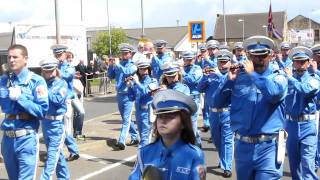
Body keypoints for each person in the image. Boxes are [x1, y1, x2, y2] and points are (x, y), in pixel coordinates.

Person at [214, 36, 288, 179]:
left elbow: (273, 94)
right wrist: (229, 81)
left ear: (271, 55)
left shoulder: (278, 77)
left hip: (268, 146)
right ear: (248, 55)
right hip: (243, 146)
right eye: (255, 56)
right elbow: (217, 103)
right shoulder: (239, 76)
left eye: (263, 55)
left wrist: (252, 74)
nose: (259, 59)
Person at [129, 89, 206, 180]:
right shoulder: (144, 152)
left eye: (170, 116)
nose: (163, 120)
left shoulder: (194, 155)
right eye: (160, 116)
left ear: (183, 123)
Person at [0, 44, 49, 179]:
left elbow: (42, 111)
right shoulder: (4, 80)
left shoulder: (36, 81)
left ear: (25, 59)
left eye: (15, 57)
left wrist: (21, 98)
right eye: (9, 57)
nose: (11, 60)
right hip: (8, 138)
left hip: (26, 138)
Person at [283, 46, 319, 179]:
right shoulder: (286, 79)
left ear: (308, 62)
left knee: (308, 165)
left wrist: (290, 78)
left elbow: (306, 89)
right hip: (291, 125)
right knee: (294, 165)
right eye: (297, 61)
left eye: (303, 61)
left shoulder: (314, 78)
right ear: (293, 63)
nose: (300, 64)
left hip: (307, 126)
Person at [39, 58, 70, 180]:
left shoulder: (62, 83)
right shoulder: (42, 83)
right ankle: (65, 177)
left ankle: (45, 178)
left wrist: (45, 91)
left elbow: (58, 100)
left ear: (56, 70)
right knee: (58, 154)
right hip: (45, 123)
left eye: (52, 70)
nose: (50, 73)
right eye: (47, 71)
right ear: (43, 71)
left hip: (57, 124)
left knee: (52, 156)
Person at [51, 44, 80, 161]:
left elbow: (67, 76)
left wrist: (56, 69)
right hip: (55, 101)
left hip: (66, 100)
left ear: (65, 54)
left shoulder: (69, 67)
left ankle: (73, 151)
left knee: (66, 128)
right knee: (58, 127)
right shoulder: (53, 66)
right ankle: (70, 151)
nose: (58, 57)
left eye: (60, 55)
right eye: (56, 55)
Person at [108, 43, 139, 150]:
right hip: (119, 94)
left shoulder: (133, 65)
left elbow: (127, 72)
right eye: (122, 53)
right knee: (126, 119)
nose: (123, 55)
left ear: (130, 54)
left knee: (126, 119)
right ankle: (135, 136)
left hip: (129, 95)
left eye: (125, 53)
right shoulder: (119, 64)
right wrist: (111, 65)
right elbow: (110, 76)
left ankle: (121, 141)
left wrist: (117, 65)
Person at [209, 50, 234, 177]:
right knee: (216, 140)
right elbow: (199, 88)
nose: (223, 65)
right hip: (213, 113)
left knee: (227, 140)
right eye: (220, 62)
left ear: (230, 63)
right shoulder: (211, 75)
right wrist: (205, 77)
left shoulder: (233, 75)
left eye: (225, 62)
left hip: (227, 112)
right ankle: (223, 158)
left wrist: (218, 76)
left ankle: (227, 166)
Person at [127, 58, 158, 147]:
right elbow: (131, 98)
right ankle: (146, 157)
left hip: (147, 111)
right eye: (141, 69)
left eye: (145, 69)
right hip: (138, 112)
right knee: (142, 136)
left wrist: (137, 83)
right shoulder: (137, 82)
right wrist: (129, 87)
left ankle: (141, 159)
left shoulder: (153, 81)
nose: (143, 71)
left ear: (149, 69)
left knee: (145, 137)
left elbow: (146, 92)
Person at [181, 51, 203, 147]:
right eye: (187, 59)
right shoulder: (181, 69)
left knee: (192, 121)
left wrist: (182, 74)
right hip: (182, 97)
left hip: (194, 98)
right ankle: (197, 139)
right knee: (185, 122)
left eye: (191, 59)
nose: (189, 61)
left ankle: (192, 144)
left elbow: (193, 80)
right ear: (183, 60)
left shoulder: (197, 68)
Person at [311, 44, 320, 172]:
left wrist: (316, 71)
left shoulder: (314, 69)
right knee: (316, 135)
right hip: (315, 106)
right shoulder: (309, 67)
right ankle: (316, 161)